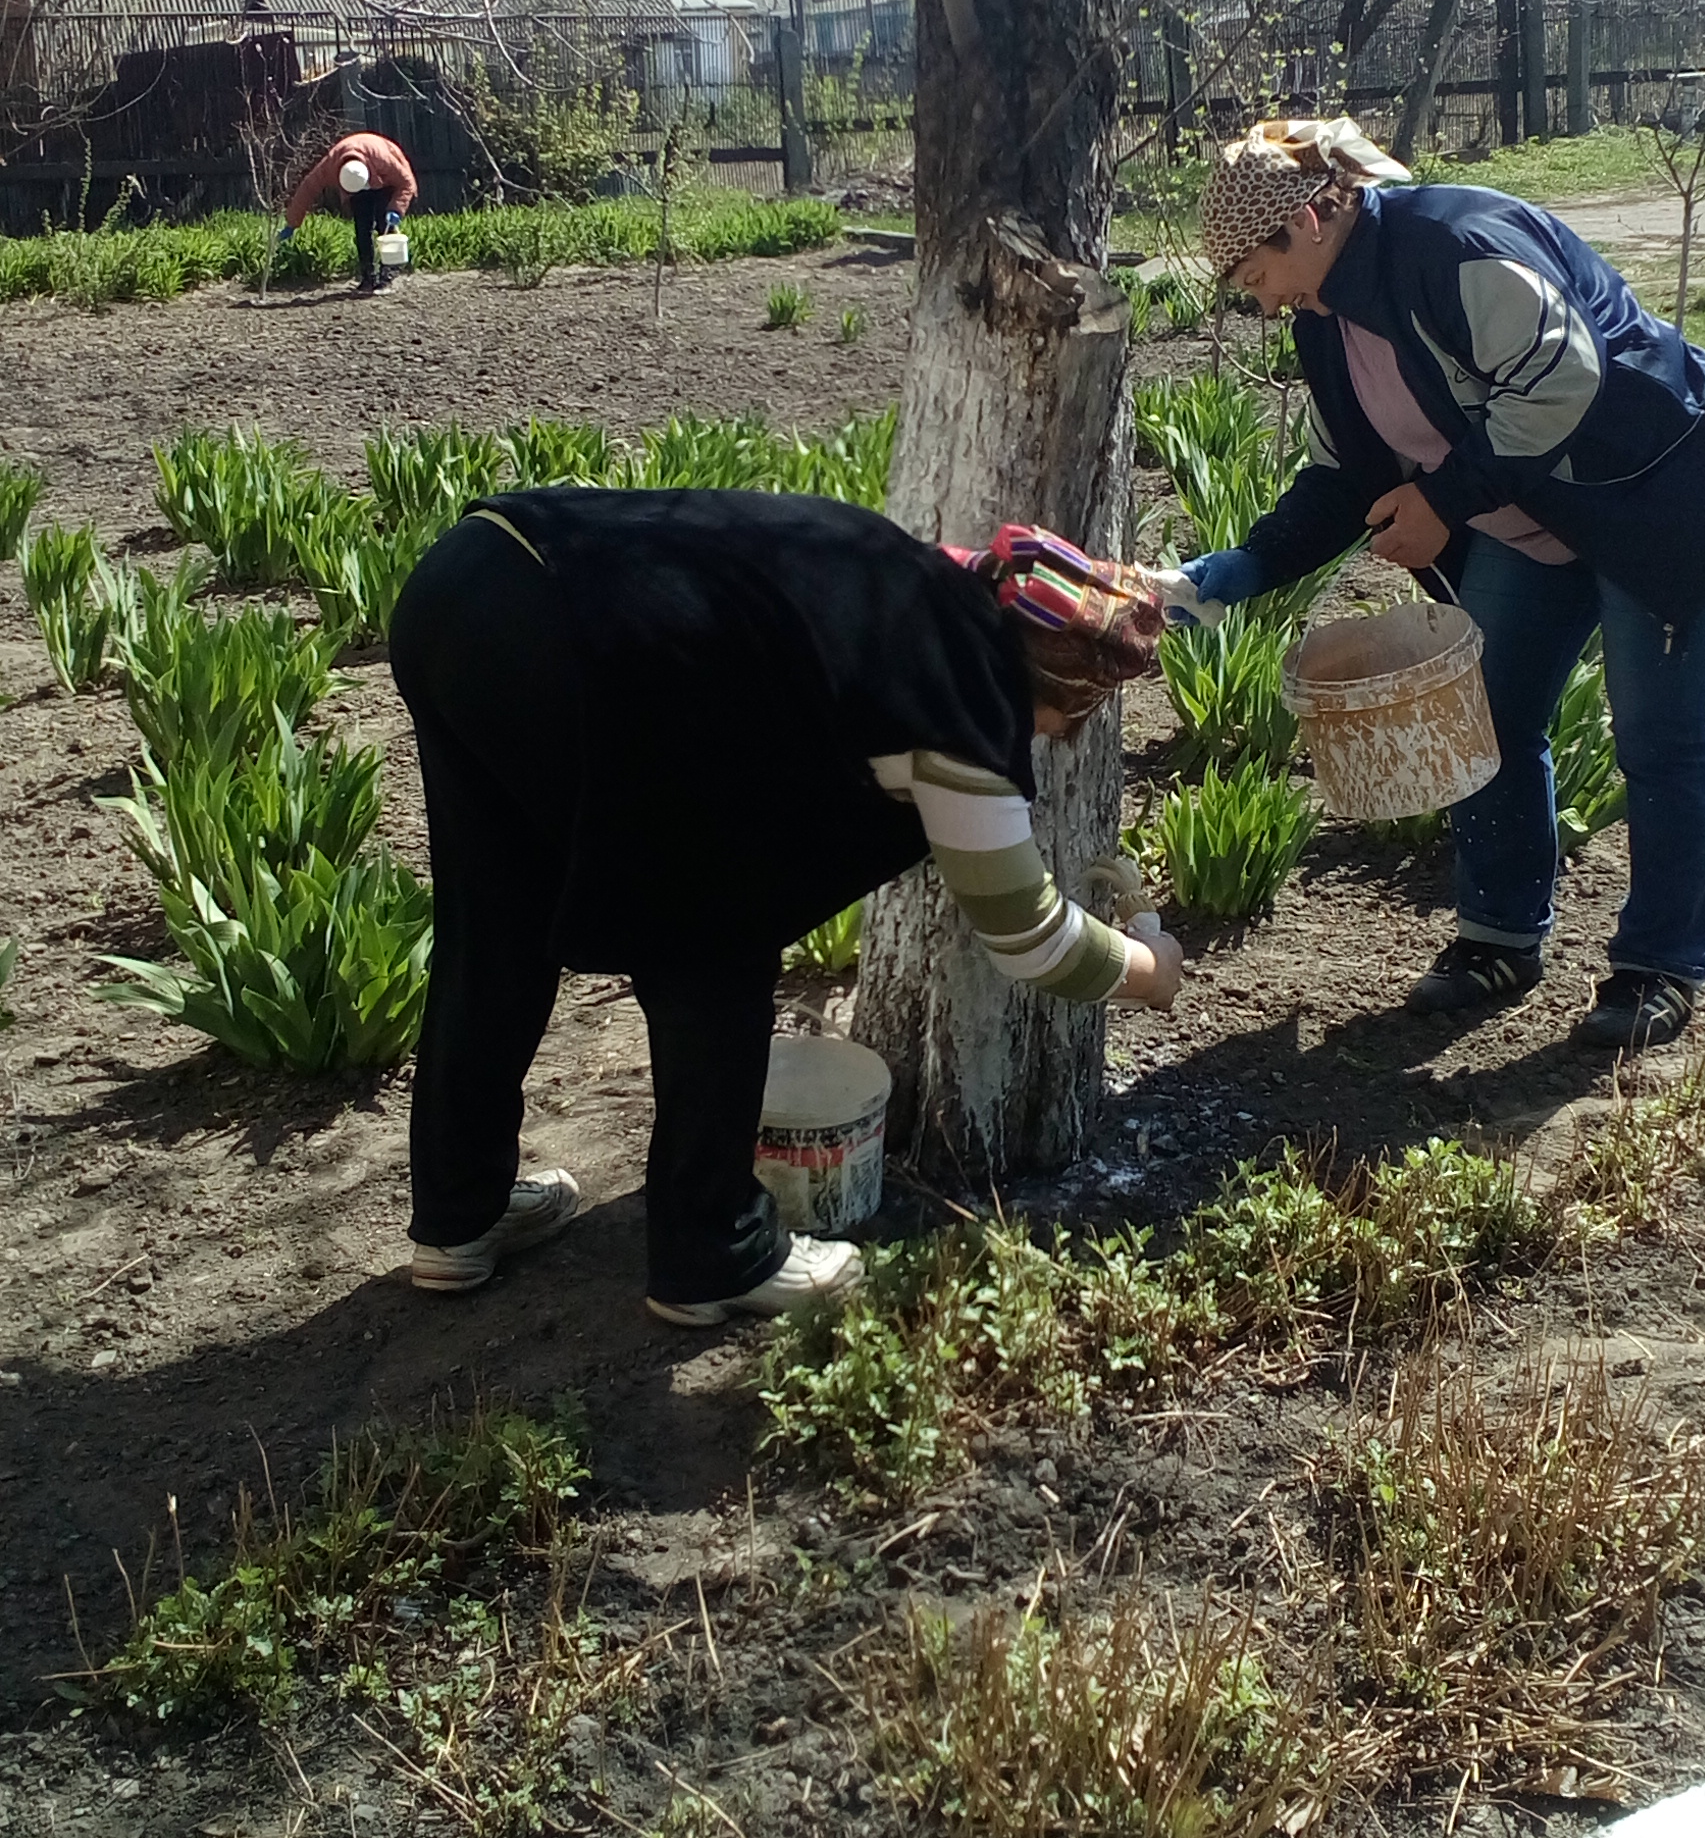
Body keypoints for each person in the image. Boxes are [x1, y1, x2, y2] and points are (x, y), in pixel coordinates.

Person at [387, 491, 1184, 1315]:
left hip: (469, 577)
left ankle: (457, 1216)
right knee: (718, 917)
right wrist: (1152, 974)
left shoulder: (928, 581)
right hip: (572, 642)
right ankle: (713, 1252)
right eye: (1067, 719)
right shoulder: (963, 703)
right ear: (1056, 687)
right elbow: (1031, 937)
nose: (1052, 739)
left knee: (497, 914)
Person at [1182, 118, 1705, 1051]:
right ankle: (1501, 938)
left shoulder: (1453, 246)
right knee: (1486, 718)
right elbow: (1344, 473)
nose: (1258, 304)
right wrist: (1247, 566)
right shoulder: (1326, 323)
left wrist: (1446, 503)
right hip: (1532, 513)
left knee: (1661, 737)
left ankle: (1659, 964)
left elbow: (1561, 380)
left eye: (1255, 276)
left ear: (1304, 220)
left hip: (1656, 492)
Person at [280, 126, 417, 295]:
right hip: (357, 185)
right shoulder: (330, 166)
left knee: (384, 225)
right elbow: (307, 189)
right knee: (362, 229)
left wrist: (396, 208)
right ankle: (367, 278)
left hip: (384, 181)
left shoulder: (384, 160)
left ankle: (387, 277)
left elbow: (407, 182)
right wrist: (293, 223)